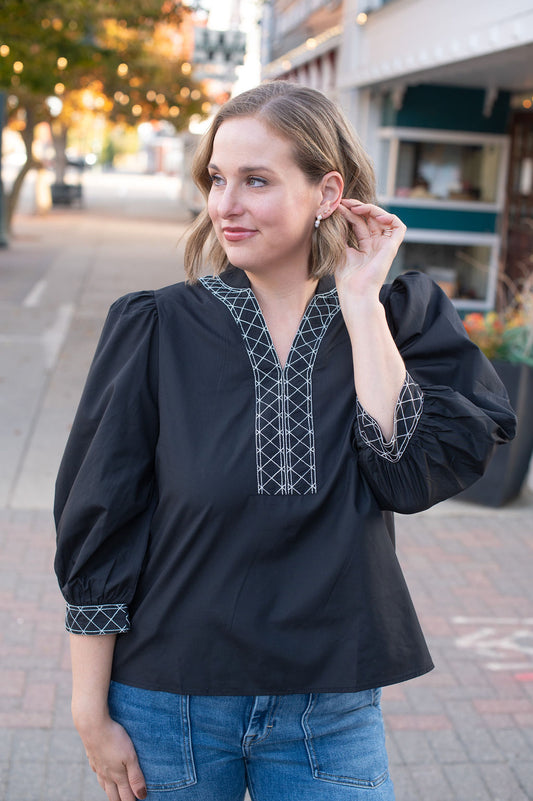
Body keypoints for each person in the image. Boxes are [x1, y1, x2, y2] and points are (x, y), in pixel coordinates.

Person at [54, 81, 516, 801]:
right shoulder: (156, 327)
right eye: (216, 178)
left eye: (256, 181)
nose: (225, 205)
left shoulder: (400, 318)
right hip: (169, 702)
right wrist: (90, 709)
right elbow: (101, 516)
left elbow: (412, 475)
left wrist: (361, 303)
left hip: (329, 708)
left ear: (326, 190)